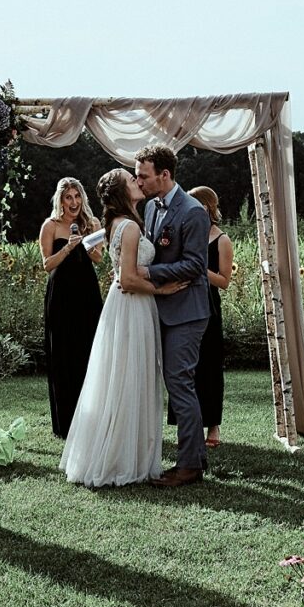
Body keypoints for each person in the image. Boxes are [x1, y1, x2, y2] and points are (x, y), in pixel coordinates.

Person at [59, 168, 188, 488]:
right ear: (121, 191)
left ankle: (121, 451)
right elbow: (128, 278)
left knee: (121, 376)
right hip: (132, 305)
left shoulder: (119, 223)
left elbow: (124, 271)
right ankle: (121, 458)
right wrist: (164, 289)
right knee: (130, 376)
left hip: (124, 304)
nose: (138, 182)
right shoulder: (128, 226)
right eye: (133, 180)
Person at [135, 144, 211, 488]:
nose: (139, 181)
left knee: (180, 383)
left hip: (187, 312)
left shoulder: (194, 212)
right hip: (160, 307)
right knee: (172, 383)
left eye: (144, 176)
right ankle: (191, 457)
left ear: (165, 175)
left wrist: (148, 274)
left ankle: (189, 466)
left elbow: (197, 265)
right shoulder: (150, 206)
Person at [168, 186, 232, 448]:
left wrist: (198, 268)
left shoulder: (222, 240)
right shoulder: (186, 234)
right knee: (184, 366)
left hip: (208, 305)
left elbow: (225, 281)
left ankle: (213, 425)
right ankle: (186, 424)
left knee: (209, 365)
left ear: (205, 208)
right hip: (183, 302)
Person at [39, 177, 104, 438]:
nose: (74, 202)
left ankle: (92, 419)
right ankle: (65, 423)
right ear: (61, 200)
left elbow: (99, 258)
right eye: (68, 197)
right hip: (61, 295)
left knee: (89, 352)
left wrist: (88, 242)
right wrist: (68, 247)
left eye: (77, 197)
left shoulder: (94, 223)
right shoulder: (51, 225)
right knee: (63, 354)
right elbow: (47, 264)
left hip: (87, 294)